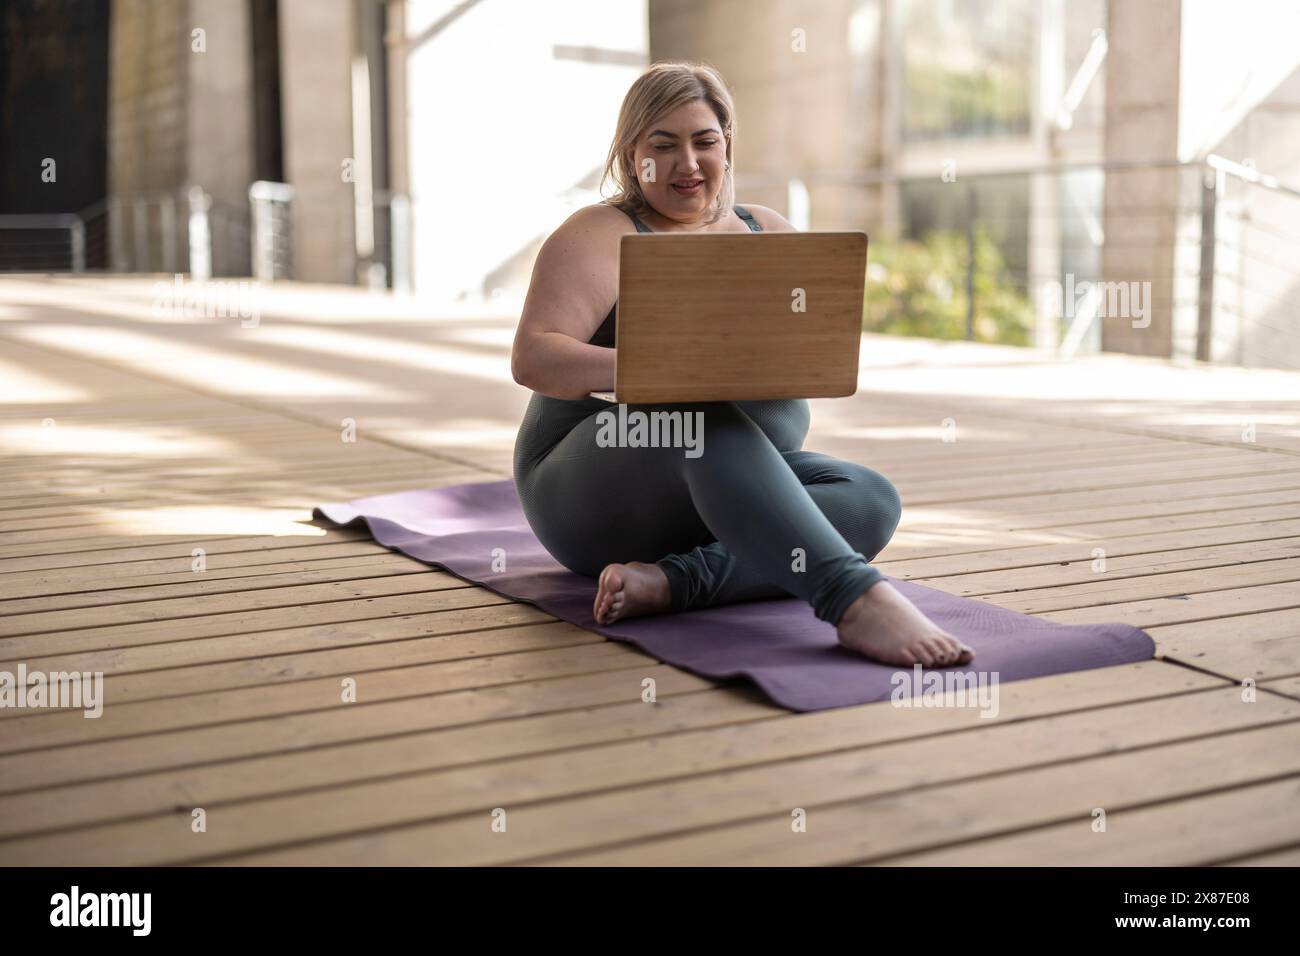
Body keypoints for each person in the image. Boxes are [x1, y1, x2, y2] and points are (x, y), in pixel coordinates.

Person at [510, 61, 973, 668]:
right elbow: (534, 355)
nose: (688, 164)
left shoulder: (766, 231)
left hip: (719, 489)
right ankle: (854, 600)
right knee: (696, 413)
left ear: (727, 144)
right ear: (631, 154)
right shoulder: (600, 233)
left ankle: (673, 582)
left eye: (704, 141)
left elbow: (809, 354)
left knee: (869, 499)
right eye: (663, 145)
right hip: (589, 488)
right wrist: (665, 370)